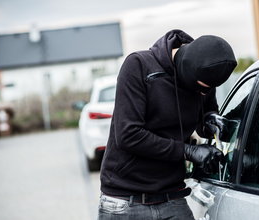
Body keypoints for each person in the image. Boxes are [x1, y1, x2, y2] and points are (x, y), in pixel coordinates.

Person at [98, 29, 237, 220]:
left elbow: (203, 118)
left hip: (172, 197)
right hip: (125, 201)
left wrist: (211, 120)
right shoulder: (139, 66)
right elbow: (128, 135)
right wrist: (188, 151)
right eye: (202, 89)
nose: (204, 94)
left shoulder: (204, 76)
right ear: (186, 70)